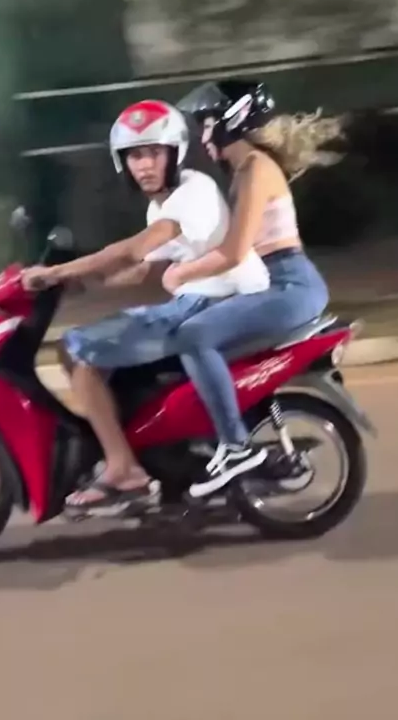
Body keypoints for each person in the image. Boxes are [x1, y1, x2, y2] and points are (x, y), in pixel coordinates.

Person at [22, 98, 271, 512]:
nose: (145, 165)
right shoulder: (164, 204)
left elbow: (133, 250)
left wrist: (57, 272)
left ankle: (123, 469)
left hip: (214, 302)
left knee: (80, 349)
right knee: (74, 348)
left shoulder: (193, 191)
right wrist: (77, 283)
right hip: (197, 301)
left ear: (175, 153)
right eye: (135, 155)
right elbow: (141, 270)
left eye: (154, 152)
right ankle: (131, 448)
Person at [164, 79, 343, 498]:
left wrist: (181, 274)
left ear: (233, 120)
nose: (203, 136)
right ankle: (208, 444)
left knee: (194, 335)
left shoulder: (255, 169)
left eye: (207, 124)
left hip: (287, 287)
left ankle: (235, 447)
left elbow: (233, 251)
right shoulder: (245, 172)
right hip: (267, 283)